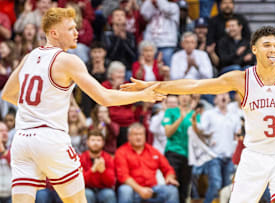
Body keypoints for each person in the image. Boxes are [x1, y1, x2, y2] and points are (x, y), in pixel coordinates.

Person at [120, 25, 275, 203]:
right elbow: (195, 86)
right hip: (255, 155)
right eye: (267, 45)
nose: (273, 50)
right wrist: (156, 86)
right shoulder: (241, 79)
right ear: (255, 49)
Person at [1, 7, 165, 203]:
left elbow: (9, 94)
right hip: (50, 138)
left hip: (22, 140)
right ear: (54, 33)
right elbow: (103, 97)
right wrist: (142, 95)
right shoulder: (68, 61)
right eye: (70, 29)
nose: (77, 33)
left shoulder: (29, 57)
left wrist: (37, 108)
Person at [191, 93, 239, 203]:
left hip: (229, 156)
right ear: (215, 100)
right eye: (220, 95)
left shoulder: (234, 116)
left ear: (229, 99)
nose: (223, 97)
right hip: (214, 155)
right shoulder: (209, 114)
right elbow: (200, 131)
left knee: (226, 187)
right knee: (215, 183)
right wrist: (194, 121)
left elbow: (237, 135)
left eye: (226, 95)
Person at [115, 122, 179, 203]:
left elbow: (168, 168)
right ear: (129, 137)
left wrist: (169, 177)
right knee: (125, 190)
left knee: (171, 190)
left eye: (141, 134)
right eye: (135, 134)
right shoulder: (121, 152)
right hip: (133, 190)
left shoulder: (153, 151)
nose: (138, 137)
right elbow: (123, 176)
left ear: (145, 136)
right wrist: (140, 190)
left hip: (152, 189)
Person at [80, 130, 116, 203]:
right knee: (87, 194)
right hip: (87, 189)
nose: (95, 143)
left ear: (103, 143)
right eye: (92, 140)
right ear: (87, 142)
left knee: (109, 194)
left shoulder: (108, 158)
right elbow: (80, 182)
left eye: (98, 140)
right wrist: (93, 170)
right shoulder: (81, 158)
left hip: (104, 189)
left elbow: (112, 182)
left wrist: (103, 171)